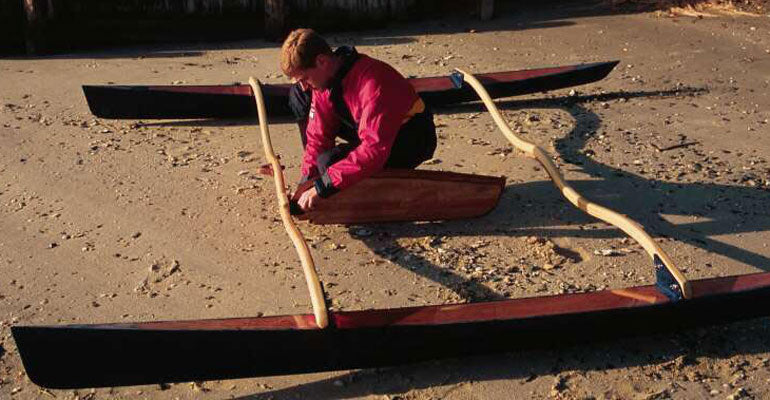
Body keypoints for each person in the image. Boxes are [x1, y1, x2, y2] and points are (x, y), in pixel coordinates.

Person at [280, 29, 437, 212]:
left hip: (412, 138)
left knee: (330, 164)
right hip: (373, 131)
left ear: (321, 61)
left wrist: (323, 186)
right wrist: (306, 183)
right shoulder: (326, 82)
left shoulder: (373, 82)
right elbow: (317, 138)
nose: (304, 86)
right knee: (324, 161)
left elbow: (373, 149)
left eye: (305, 78)